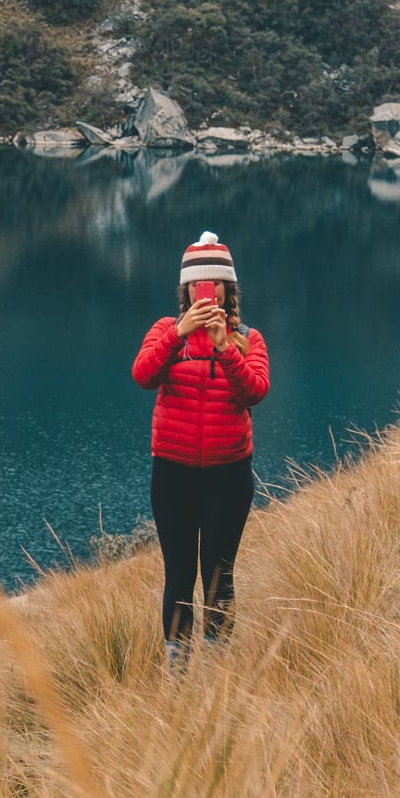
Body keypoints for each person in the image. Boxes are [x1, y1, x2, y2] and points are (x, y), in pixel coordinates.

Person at [131, 231, 270, 671]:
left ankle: (215, 667)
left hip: (229, 476)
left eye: (213, 283)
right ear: (186, 289)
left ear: (228, 289)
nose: (204, 291)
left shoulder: (248, 338)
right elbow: (142, 375)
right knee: (179, 574)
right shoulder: (164, 332)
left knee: (219, 573)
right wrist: (178, 333)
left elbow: (255, 392)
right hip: (173, 475)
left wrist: (224, 348)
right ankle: (178, 669)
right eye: (196, 284)